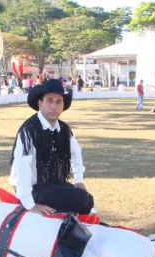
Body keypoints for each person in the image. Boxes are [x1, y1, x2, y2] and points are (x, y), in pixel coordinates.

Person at [9, 78, 94, 215]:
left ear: (62, 105)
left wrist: (79, 180)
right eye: (49, 101)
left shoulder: (64, 129)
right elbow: (22, 167)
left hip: (53, 184)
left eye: (58, 102)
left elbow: (75, 153)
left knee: (88, 200)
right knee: (82, 198)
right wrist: (30, 204)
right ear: (40, 103)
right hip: (33, 188)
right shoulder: (29, 130)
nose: (54, 106)